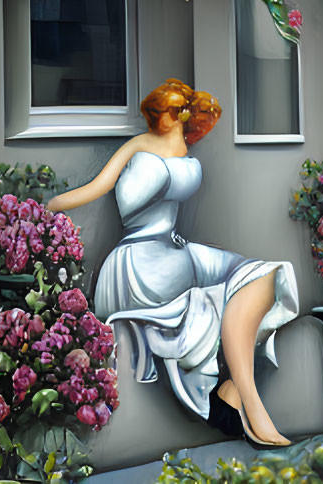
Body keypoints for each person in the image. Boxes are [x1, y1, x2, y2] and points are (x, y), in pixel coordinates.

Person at [48, 78, 296, 447]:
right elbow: (97, 187)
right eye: (164, 110)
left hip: (177, 249)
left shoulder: (183, 145)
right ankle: (253, 407)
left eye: (177, 111)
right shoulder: (138, 146)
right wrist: (45, 210)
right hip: (140, 264)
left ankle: (232, 390)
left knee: (265, 275)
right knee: (227, 291)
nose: (169, 118)